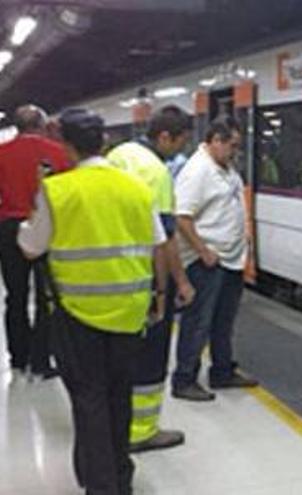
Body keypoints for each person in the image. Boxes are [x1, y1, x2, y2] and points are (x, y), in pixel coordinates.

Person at [18, 108, 169, 495]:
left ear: (66, 146)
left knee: (89, 402)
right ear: (103, 142)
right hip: (130, 313)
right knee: (120, 397)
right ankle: (121, 477)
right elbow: (158, 245)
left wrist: (31, 214)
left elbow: (31, 248)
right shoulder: (138, 188)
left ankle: (102, 487)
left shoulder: (58, 190)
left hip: (77, 316)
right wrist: (161, 296)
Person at [106, 105, 197, 452]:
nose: (180, 150)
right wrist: (173, 286)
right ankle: (142, 430)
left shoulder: (118, 154)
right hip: (144, 273)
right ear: (164, 136)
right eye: (180, 142)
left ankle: (117, 424)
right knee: (151, 353)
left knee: (120, 355)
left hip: (114, 270)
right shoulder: (156, 172)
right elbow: (164, 240)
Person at [171, 116, 257, 401]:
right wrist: (202, 251)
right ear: (216, 141)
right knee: (198, 322)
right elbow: (182, 216)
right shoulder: (197, 171)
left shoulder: (226, 168)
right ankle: (184, 379)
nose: (236, 151)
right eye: (232, 145)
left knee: (223, 321)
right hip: (206, 262)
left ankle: (222, 371)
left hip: (230, 259)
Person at [0, 104, 70, 381]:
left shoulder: (1, 153)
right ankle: (42, 359)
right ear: (42, 125)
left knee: (15, 295)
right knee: (46, 297)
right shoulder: (57, 153)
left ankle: (19, 357)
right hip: (47, 226)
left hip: (8, 228)